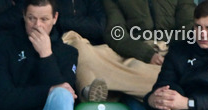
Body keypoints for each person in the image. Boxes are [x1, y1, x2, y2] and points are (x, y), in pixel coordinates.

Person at [63, 0, 194, 102]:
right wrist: (147, 54)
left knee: (178, 70)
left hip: (170, 53)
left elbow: (189, 28)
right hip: (131, 53)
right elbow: (115, 33)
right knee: (77, 46)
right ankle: (91, 90)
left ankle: (115, 88)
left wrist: (172, 55)